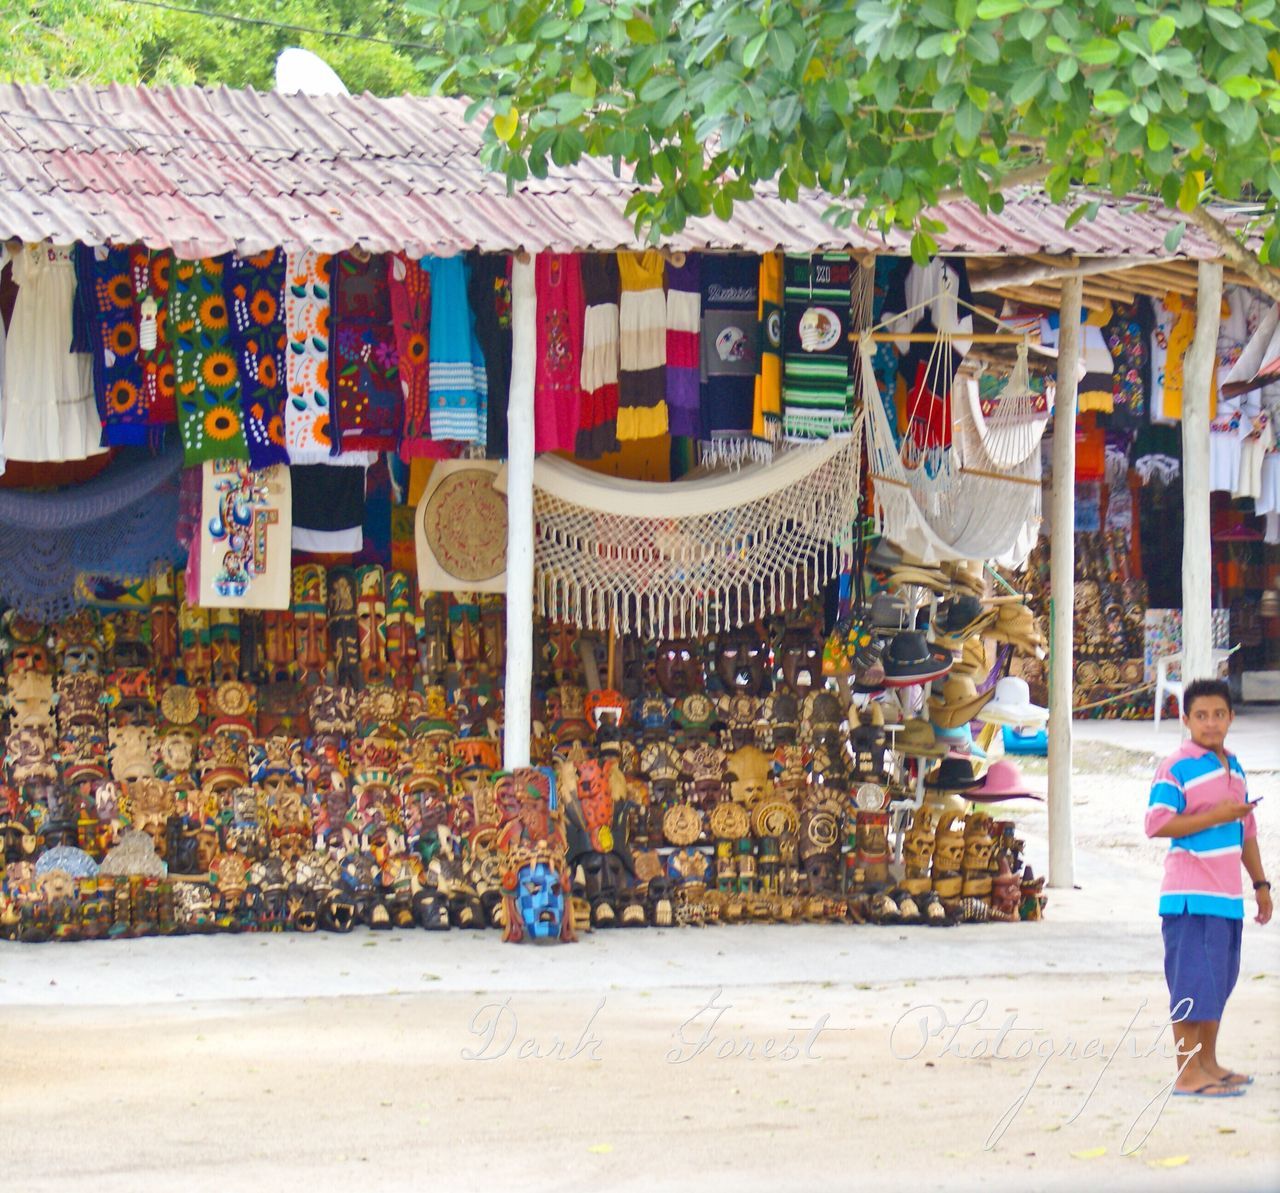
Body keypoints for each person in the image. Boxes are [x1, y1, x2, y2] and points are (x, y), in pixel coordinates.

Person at [1144, 678, 1271, 1098]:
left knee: (1218, 983)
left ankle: (1209, 1063)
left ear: (1231, 718)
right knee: (1190, 984)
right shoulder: (1176, 766)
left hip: (1228, 897)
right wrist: (1215, 815)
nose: (1211, 723)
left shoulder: (1234, 766)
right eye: (1201, 715)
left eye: (1219, 715)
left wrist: (1261, 884)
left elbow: (1246, 831)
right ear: (1186, 720)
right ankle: (1186, 1073)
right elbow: (1157, 823)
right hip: (1189, 896)